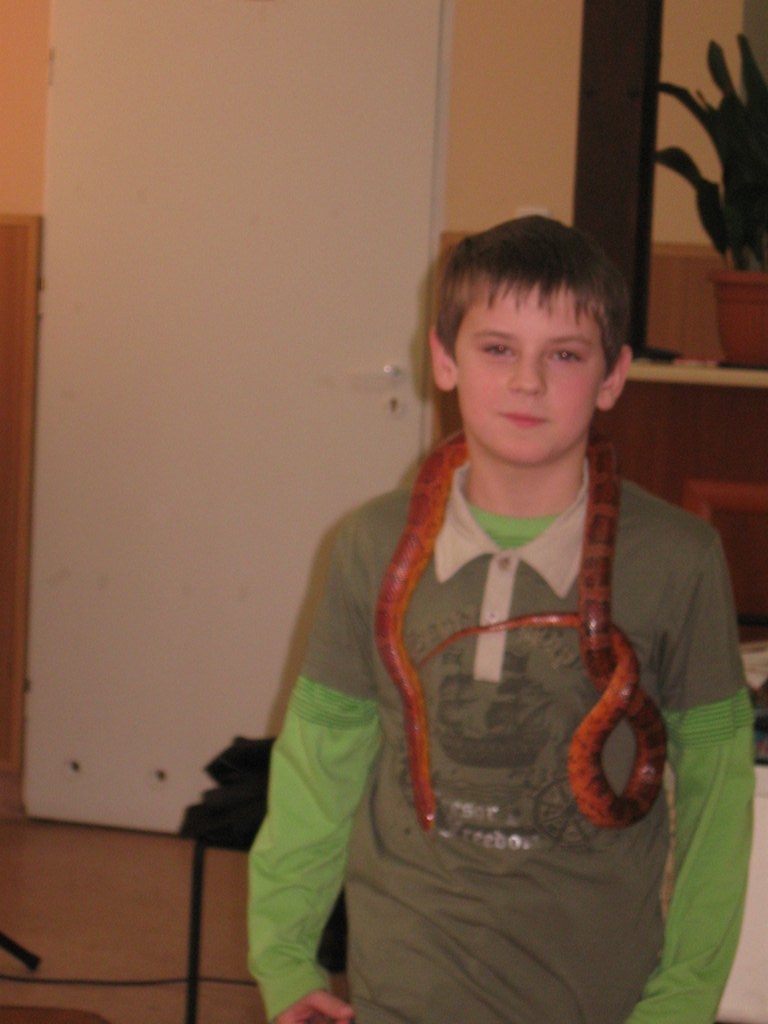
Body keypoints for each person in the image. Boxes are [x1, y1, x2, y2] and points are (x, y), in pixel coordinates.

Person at [248, 215, 755, 1024]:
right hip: (402, 989)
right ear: (444, 360)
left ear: (613, 376)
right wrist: (284, 956)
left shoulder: (679, 558)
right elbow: (319, 767)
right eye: (497, 348)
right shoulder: (370, 545)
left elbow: (717, 800)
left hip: (598, 996)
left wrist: (684, 998)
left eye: (565, 355)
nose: (528, 382)